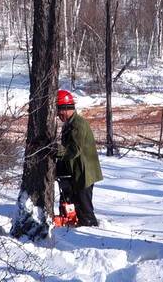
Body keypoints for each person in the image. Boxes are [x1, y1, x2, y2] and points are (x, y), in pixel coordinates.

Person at [56, 89, 103, 227]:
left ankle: (91, 232)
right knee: (70, 205)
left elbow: (73, 150)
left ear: (66, 108)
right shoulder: (69, 124)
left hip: (84, 174)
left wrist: (53, 150)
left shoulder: (78, 124)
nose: (58, 114)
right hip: (75, 172)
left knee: (85, 210)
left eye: (59, 110)